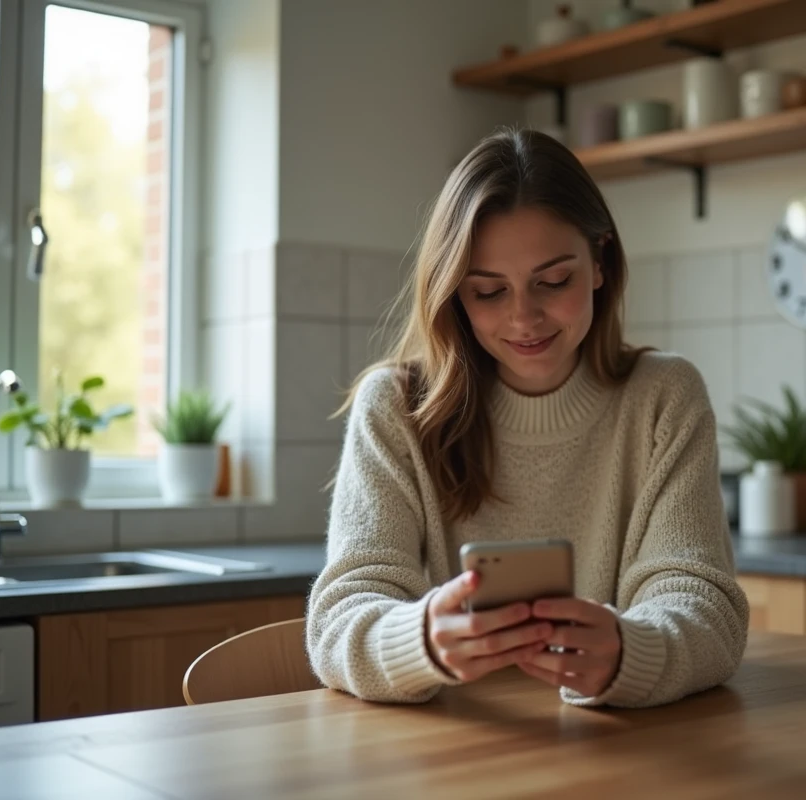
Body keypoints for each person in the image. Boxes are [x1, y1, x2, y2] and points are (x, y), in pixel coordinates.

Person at [306, 127, 749, 709]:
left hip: (619, 756)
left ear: (599, 263)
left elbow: (706, 607)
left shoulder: (664, 396)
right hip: (441, 757)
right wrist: (419, 643)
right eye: (488, 292)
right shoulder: (395, 407)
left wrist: (628, 652)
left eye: (554, 281)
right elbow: (339, 622)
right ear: (454, 296)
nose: (524, 318)